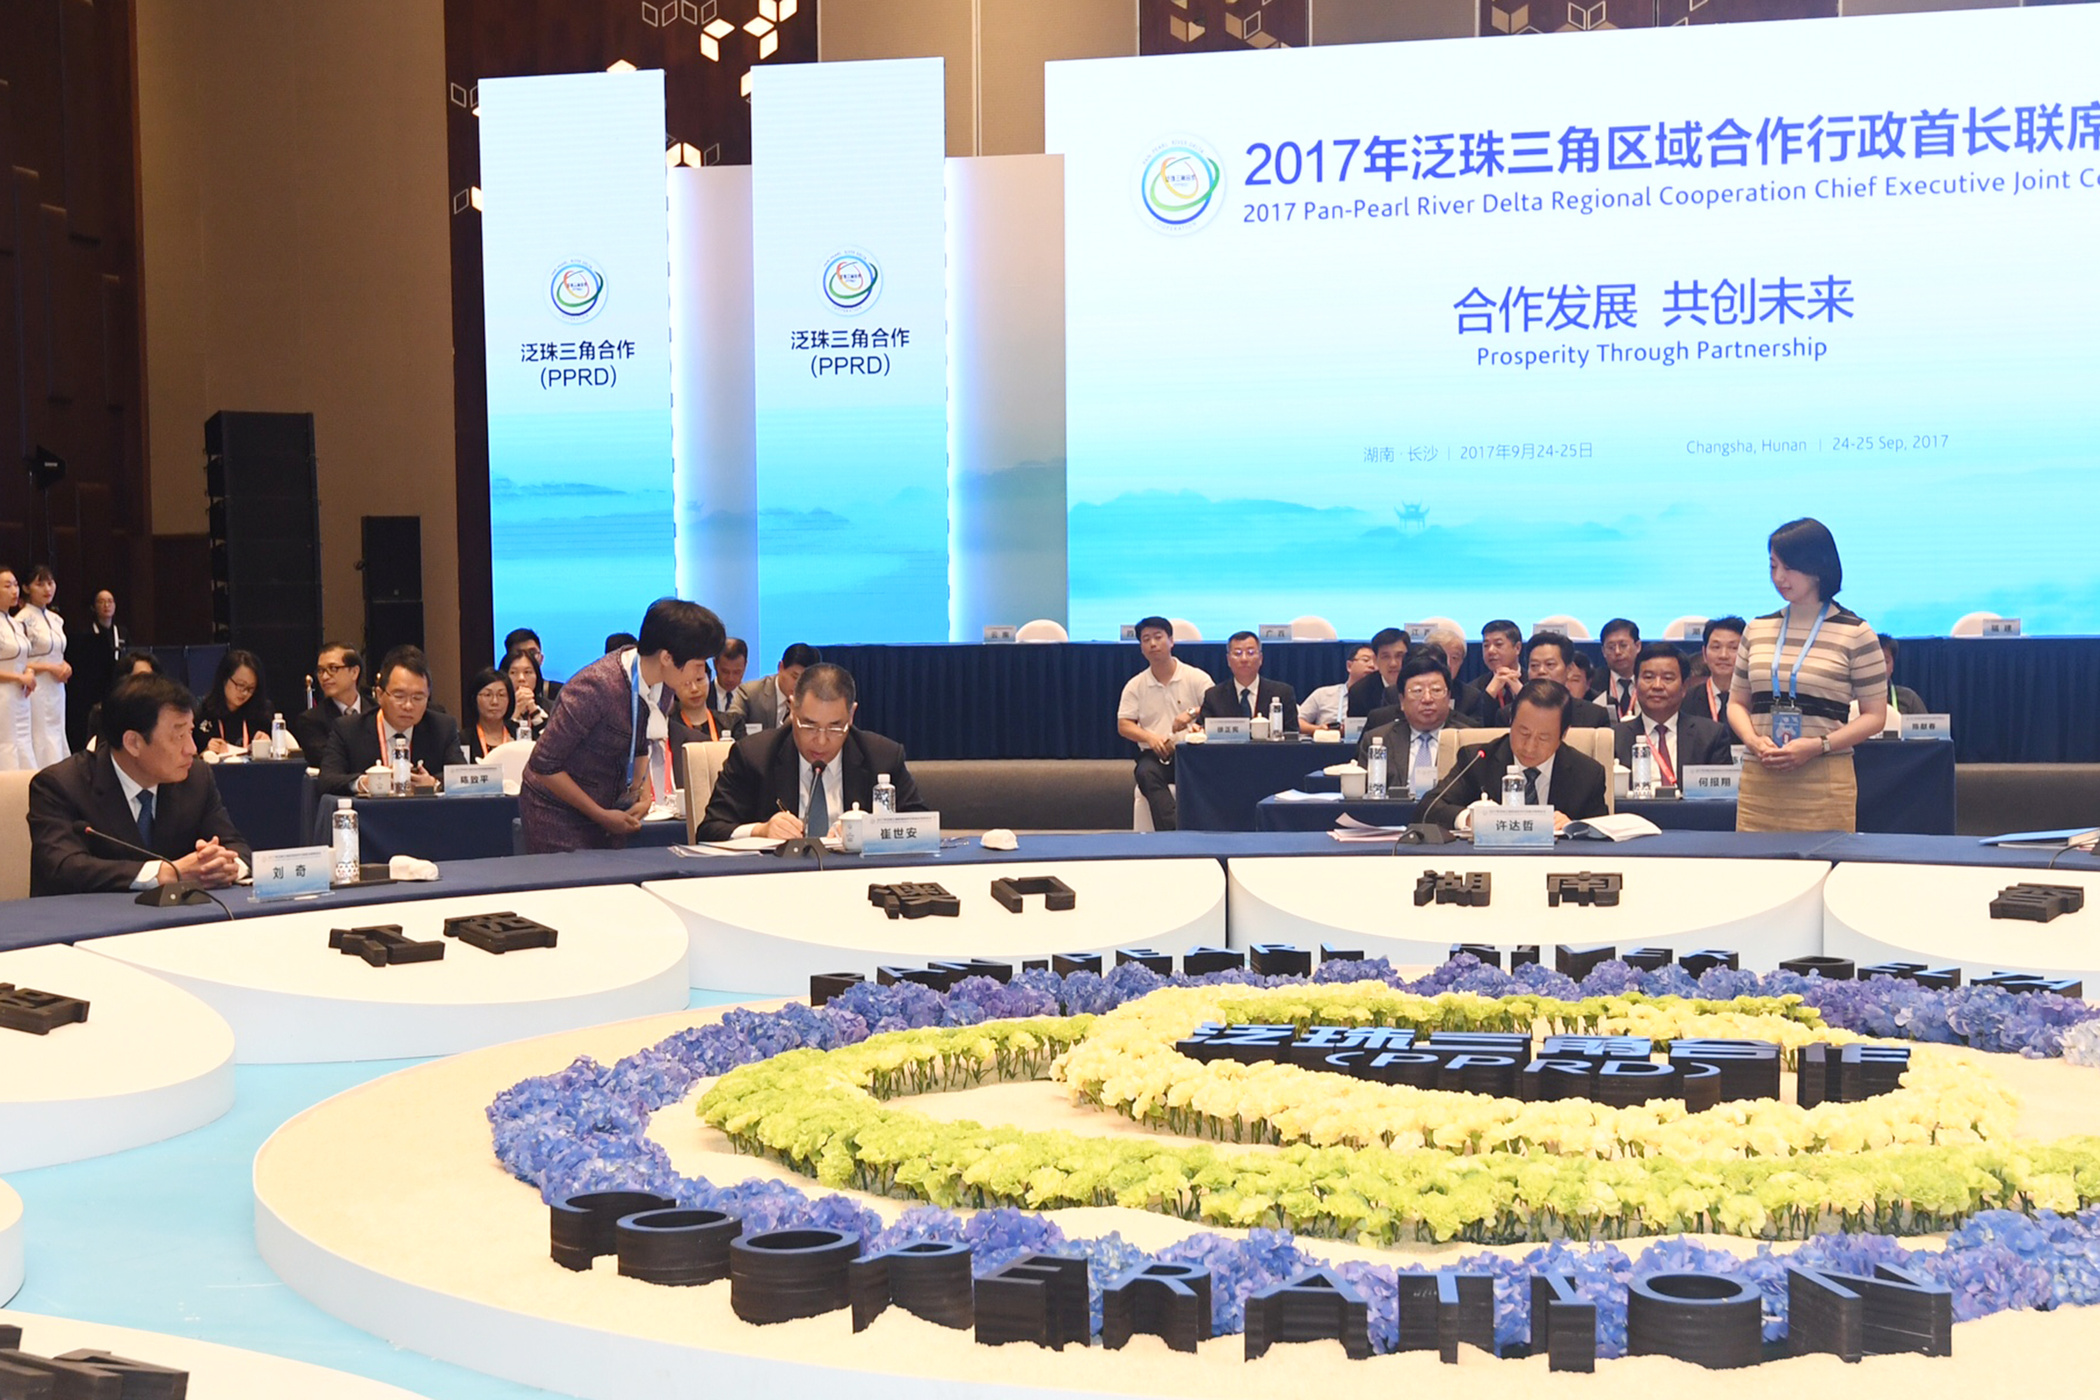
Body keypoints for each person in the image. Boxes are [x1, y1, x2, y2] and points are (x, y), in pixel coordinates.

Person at [520, 598, 723, 852]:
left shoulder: (665, 685)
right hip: (557, 812)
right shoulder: (595, 687)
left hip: (610, 810)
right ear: (667, 657)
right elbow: (543, 764)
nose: (701, 674)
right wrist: (600, 815)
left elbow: (642, 740)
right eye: (698, 664)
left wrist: (643, 795)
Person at [26, 672, 251, 897]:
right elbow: (63, 868)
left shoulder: (196, 778)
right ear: (133, 743)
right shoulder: (60, 785)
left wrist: (224, 867)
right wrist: (166, 873)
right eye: (178, 736)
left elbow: (236, 846)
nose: (191, 749)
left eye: (190, 732)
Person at [1730, 519, 1888, 833]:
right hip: (1761, 779)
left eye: (1788, 568)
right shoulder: (1757, 629)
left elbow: (1875, 717)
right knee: (1752, 862)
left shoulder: (1856, 632)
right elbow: (1736, 703)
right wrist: (1753, 741)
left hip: (1824, 780)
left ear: (1817, 568)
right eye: (1773, 566)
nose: (1778, 577)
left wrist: (1818, 745)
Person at [697, 663, 924, 840]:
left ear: (851, 715)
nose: (821, 741)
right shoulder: (753, 756)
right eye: (809, 725)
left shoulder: (882, 757)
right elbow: (709, 830)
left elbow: (922, 828)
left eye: (835, 727)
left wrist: (873, 830)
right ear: (792, 709)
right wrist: (760, 830)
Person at [1423, 678, 1610, 832]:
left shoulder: (1587, 773)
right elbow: (1428, 809)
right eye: (1523, 733)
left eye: (1543, 738)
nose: (1530, 747)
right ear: (1511, 720)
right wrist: (1470, 819)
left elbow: (1603, 834)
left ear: (1563, 734)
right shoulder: (1478, 760)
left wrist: (1574, 826)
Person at [317, 645, 463, 796]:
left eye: (418, 697)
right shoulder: (349, 729)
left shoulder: (442, 728)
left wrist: (434, 783)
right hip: (372, 811)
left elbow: (462, 777)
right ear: (380, 695)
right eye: (399, 696)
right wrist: (364, 783)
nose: (408, 705)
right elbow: (326, 781)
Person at [1116, 615, 1211, 832]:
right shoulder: (1135, 685)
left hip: (1192, 752)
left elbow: (1216, 707)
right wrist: (1149, 737)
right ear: (1141, 648)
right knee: (1146, 773)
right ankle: (1174, 833)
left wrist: (1192, 713)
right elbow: (1124, 724)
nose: (1153, 644)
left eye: (1158, 637)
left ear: (1171, 641)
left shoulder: (1196, 677)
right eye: (1146, 639)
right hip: (1156, 755)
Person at [1613, 643, 1732, 782]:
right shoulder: (1615, 738)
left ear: (1684, 688)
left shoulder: (1710, 736)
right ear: (1636, 685)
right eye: (1648, 677)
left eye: (1668, 678)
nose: (1657, 686)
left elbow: (1721, 793)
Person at [1357, 656, 1467, 793]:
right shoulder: (1379, 740)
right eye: (1417, 691)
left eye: (1436, 690)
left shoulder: (1468, 740)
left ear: (1448, 697)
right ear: (1402, 701)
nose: (1427, 699)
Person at [17, 565, 70, 767]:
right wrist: (48, 667)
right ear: (26, 588)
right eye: (40, 584)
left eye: (50, 583)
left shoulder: (56, 619)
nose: (47, 589)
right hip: (36, 687)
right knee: (41, 735)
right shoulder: (22, 620)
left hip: (57, 686)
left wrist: (64, 665)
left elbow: (57, 653)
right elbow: (16, 661)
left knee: (57, 730)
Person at [1499, 632, 1610, 728]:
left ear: (1569, 669)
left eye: (1550, 664)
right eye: (1534, 665)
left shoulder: (1595, 715)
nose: (1541, 671)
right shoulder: (1509, 715)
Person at [1199, 632, 1299, 731]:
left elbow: (1292, 735)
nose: (1244, 659)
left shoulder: (1283, 693)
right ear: (1228, 660)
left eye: (1250, 653)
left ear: (1260, 658)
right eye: (1238, 653)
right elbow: (1202, 730)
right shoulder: (1214, 696)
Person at [67, 589, 126, 750]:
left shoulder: (122, 632)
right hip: (94, 687)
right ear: (94, 607)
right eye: (101, 601)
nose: (106, 605)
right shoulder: (86, 633)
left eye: (110, 601)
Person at [291, 642, 364, 764]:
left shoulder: (377, 711)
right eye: (320, 670)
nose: (324, 677)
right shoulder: (311, 720)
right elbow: (329, 761)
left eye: (333, 669)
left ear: (354, 672)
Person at [194, 649, 272, 753]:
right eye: (240, 685)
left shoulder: (261, 713)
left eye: (250, 688)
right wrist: (206, 752)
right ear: (224, 679)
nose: (244, 693)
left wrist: (267, 745)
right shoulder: (202, 712)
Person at [729, 643, 820, 733]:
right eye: (794, 676)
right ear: (780, 667)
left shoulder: (815, 699)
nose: (798, 685)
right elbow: (731, 726)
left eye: (805, 680)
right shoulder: (750, 693)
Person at [0, 567, 34, 770]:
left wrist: (28, 672)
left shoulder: (15, 623)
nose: (14, 590)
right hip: (3, 695)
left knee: (23, 741)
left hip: (21, 695)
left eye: (15, 585)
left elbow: (24, 658)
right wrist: (18, 678)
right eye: (7, 586)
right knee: (6, 744)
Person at [1299, 644, 1375, 734]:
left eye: (1376, 661)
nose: (1372, 665)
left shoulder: (1383, 696)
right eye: (1366, 660)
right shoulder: (1323, 694)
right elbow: (1298, 722)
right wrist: (1317, 729)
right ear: (1349, 666)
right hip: (1328, 741)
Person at [1683, 616, 1745, 726]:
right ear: (1704, 653)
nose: (1723, 655)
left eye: (1733, 648)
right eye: (1716, 647)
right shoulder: (1686, 699)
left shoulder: (1755, 699)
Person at [1423, 624, 1490, 724]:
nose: (1448, 664)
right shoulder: (1408, 692)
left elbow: (1475, 730)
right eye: (1442, 657)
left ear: (1461, 662)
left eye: (1454, 658)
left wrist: (1445, 710)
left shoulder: (1470, 697)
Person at [1344, 627, 1409, 718]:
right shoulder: (1359, 692)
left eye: (1399, 656)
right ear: (1375, 660)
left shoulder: (1420, 685)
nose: (1393, 663)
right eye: (1386, 657)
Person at [464, 667, 514, 760]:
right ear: (474, 699)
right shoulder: (463, 740)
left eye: (501, 695)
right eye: (487, 695)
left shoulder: (518, 735)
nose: (495, 702)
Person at [1477, 619, 1526, 715]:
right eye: (1486, 645)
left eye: (1498, 644)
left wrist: (1523, 694)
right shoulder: (1474, 689)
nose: (1490, 651)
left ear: (1517, 648)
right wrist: (1489, 694)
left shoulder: (1534, 682)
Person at [503, 627, 563, 704]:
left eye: (532, 653)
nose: (525, 658)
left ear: (541, 658)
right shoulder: (496, 697)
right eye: (519, 653)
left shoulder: (561, 692)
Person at [502, 648, 552, 739]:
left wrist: (534, 711)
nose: (521, 678)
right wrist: (515, 713)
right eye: (513, 672)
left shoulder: (551, 708)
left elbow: (554, 741)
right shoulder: (496, 708)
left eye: (527, 672)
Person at [1876, 634, 1928, 719]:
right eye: (1875, 662)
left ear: (1892, 666)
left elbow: (1927, 727)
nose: (1880, 667)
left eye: (1886, 661)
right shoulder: (1852, 700)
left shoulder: (1909, 699)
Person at [1598, 618, 1642, 720]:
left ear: (1638, 646)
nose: (1617, 652)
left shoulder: (1651, 680)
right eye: (1611, 647)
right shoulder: (1594, 682)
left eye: (1623, 645)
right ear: (1603, 651)